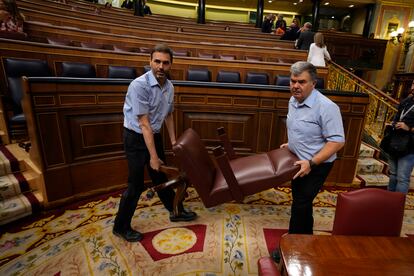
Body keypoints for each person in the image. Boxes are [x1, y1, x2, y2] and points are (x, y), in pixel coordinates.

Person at [113, 44, 197, 242]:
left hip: (155, 135)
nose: (161, 66)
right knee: (135, 185)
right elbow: (144, 124)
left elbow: (168, 115)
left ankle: (175, 210)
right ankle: (121, 226)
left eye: (165, 63)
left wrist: (174, 141)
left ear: (171, 65)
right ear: (150, 61)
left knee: (160, 177)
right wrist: (153, 156)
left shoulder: (169, 87)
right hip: (135, 137)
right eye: (157, 61)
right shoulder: (138, 85)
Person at [272, 61, 345, 261]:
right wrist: (292, 144)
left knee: (300, 203)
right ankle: (307, 242)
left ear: (313, 83)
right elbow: (300, 128)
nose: (295, 85)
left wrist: (311, 162)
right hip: (299, 160)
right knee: (302, 203)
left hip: (317, 164)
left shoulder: (327, 107)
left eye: (301, 82)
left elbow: (337, 141)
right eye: (292, 81)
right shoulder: (293, 100)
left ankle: (292, 251)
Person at [387, 89, 414, 194]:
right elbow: (397, 117)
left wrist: (409, 128)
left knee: (402, 178)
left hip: (409, 146)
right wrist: (393, 124)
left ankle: (397, 206)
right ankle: (389, 203)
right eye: (412, 83)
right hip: (395, 141)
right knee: (393, 175)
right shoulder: (407, 101)